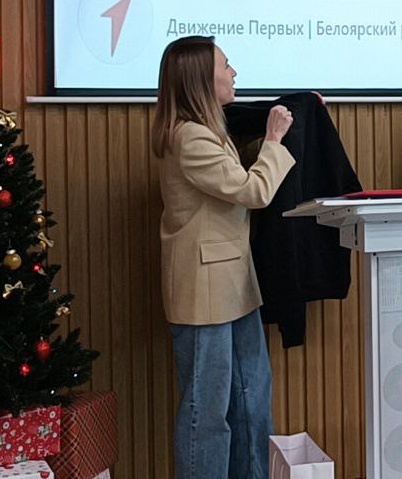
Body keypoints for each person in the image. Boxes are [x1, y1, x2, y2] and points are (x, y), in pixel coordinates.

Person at [152, 35, 295, 479]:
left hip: (232, 283)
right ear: (201, 78)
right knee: (207, 410)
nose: (234, 73)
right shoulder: (191, 137)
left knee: (252, 397)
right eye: (226, 65)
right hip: (205, 291)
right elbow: (254, 190)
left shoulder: (206, 130)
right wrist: (274, 139)